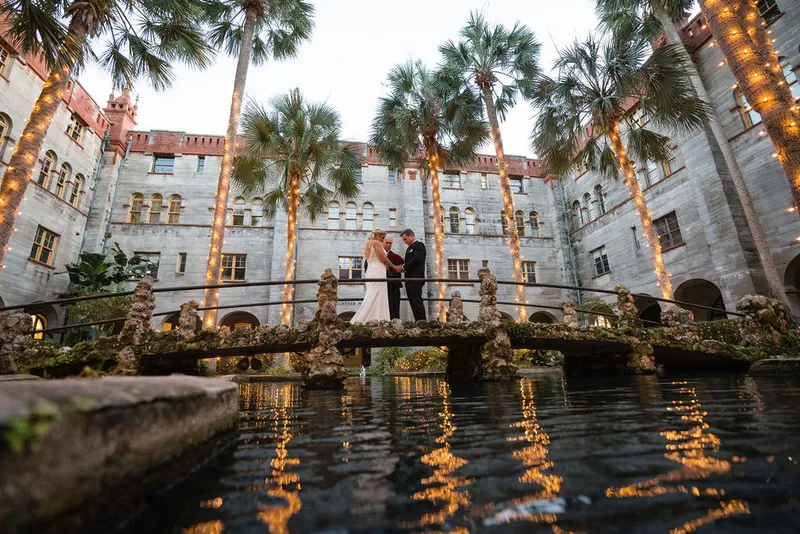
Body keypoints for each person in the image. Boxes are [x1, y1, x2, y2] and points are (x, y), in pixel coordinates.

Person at [351, 229, 401, 323]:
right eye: (382, 237)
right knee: (377, 294)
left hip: (371, 270)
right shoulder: (376, 243)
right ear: (378, 235)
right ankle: (377, 318)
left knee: (372, 294)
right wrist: (394, 267)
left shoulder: (367, 244)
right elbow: (383, 259)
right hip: (378, 271)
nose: (383, 240)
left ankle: (374, 318)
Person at [400, 229, 427, 321]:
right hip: (409, 279)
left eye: (405, 239)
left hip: (416, 278)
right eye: (403, 240)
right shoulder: (408, 248)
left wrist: (403, 267)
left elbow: (417, 259)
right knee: (412, 301)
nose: (405, 242)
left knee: (417, 301)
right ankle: (417, 320)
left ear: (411, 235)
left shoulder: (419, 245)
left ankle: (422, 321)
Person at [383, 235, 405, 319]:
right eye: (386, 242)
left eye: (390, 243)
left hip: (393, 285)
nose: (388, 244)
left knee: (394, 305)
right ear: (382, 243)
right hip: (382, 284)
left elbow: (399, 271)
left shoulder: (395, 257)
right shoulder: (377, 254)